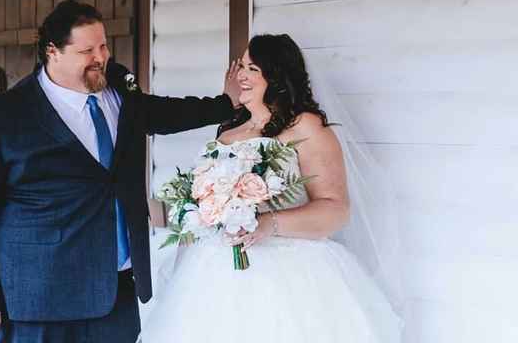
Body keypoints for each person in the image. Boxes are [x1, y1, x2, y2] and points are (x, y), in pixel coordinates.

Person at [0, 0, 241, 343]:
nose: (101, 57)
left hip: (114, 291)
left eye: (103, 45)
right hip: (39, 299)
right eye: (86, 50)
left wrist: (227, 104)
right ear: (53, 52)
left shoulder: (119, 89)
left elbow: (164, 114)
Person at [140, 34, 403, 342]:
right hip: (213, 270)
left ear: (276, 76)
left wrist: (269, 223)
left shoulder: (305, 127)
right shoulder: (227, 130)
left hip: (289, 270)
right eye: (242, 66)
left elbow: (335, 207)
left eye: (253, 68)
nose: (241, 75)